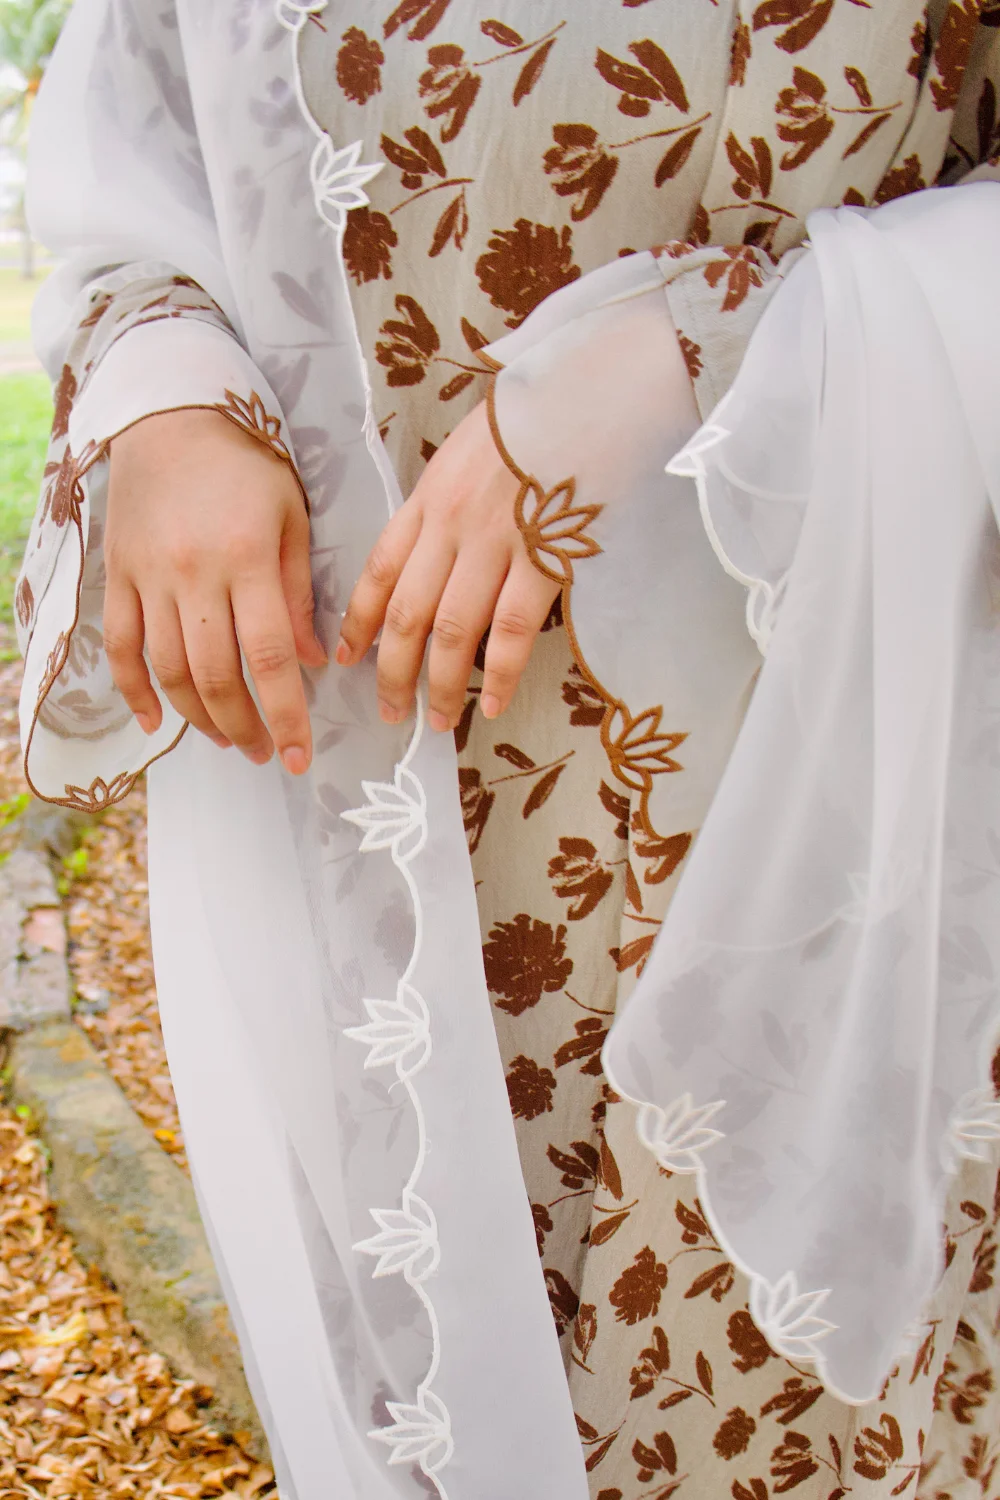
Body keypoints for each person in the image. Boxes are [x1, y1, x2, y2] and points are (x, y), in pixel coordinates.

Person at [16, 2, 1000, 1497]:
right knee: (439, 1375)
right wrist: (167, 405)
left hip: (832, 806)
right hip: (377, 836)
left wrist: (695, 345)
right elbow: (137, 176)